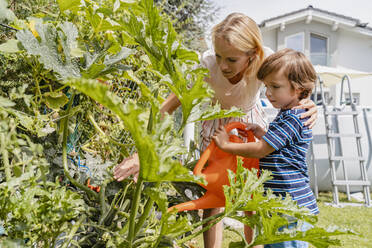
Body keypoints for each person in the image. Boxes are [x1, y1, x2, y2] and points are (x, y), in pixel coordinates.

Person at [113, 13, 318, 248]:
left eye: (231, 59)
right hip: (216, 124)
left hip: (248, 125)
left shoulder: (267, 60)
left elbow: (299, 76)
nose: (222, 65)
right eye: (219, 55)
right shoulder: (207, 65)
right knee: (213, 194)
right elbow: (165, 108)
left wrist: (309, 103)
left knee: (251, 197)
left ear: (252, 54)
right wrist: (143, 153)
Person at [212, 48, 319, 248]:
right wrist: (261, 131)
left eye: (275, 87)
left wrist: (226, 145)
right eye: (266, 86)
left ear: (298, 88)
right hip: (281, 204)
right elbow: (281, 146)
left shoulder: (294, 118)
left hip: (290, 206)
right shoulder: (286, 114)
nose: (268, 93)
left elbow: (262, 149)